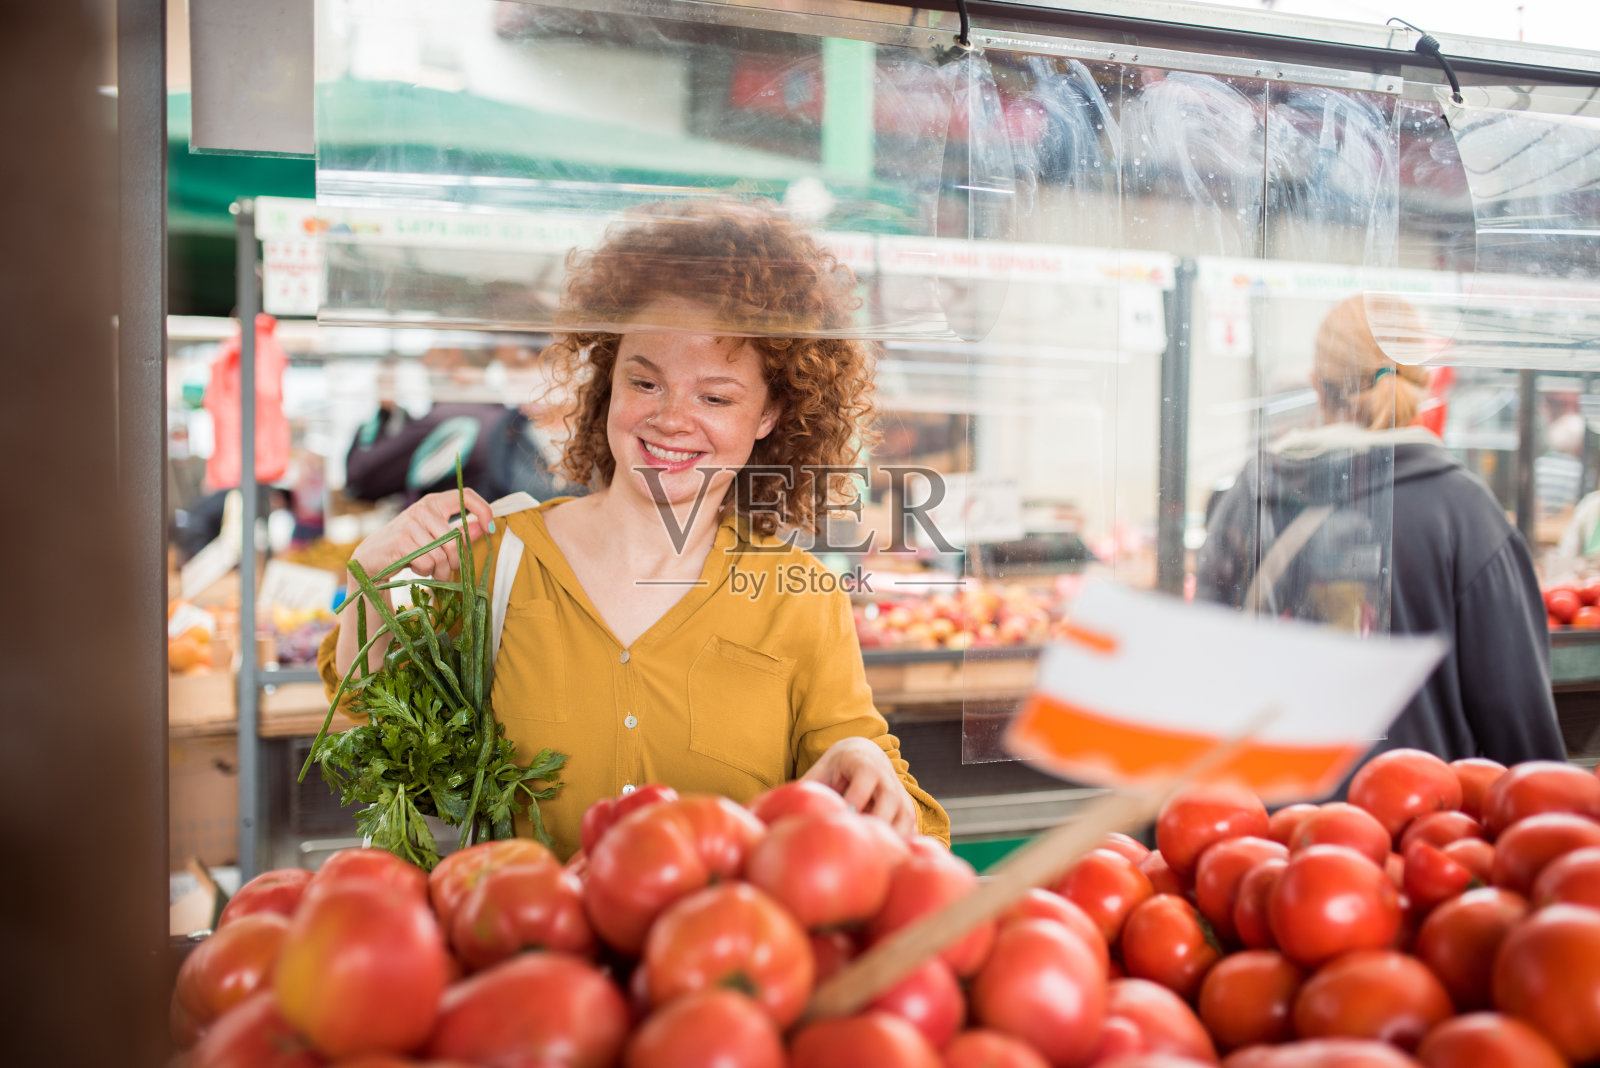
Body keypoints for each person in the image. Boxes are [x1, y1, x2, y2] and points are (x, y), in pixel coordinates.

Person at [318, 200, 949, 858]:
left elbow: (900, 825)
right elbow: (380, 750)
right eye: (645, 382)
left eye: (716, 397)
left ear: (770, 414)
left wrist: (854, 754)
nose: (671, 420)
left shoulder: (799, 597)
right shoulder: (495, 562)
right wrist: (371, 586)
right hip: (534, 949)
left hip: (717, 954)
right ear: (607, 383)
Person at [1197, 294, 1565, 768]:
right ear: (1424, 385)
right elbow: (1519, 724)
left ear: (1317, 386)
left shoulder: (1254, 493)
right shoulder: (1466, 513)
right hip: (1413, 825)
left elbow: (1206, 664)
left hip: (1265, 826)